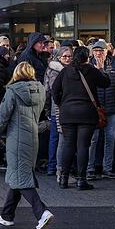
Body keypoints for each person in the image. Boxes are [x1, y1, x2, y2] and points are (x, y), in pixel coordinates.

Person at [0, 62, 54, 229]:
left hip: (16, 139)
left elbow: (1, 119)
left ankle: (42, 212)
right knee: (18, 174)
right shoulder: (41, 90)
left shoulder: (12, 91)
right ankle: (7, 215)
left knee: (21, 178)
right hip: (32, 137)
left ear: (16, 74)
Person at [52, 46, 110, 190]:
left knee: (68, 145)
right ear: (87, 57)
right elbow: (106, 83)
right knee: (83, 146)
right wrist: (101, 68)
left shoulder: (65, 71)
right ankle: (81, 180)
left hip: (67, 113)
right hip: (86, 113)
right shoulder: (91, 71)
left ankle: (63, 179)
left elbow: (54, 91)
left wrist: (62, 103)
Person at [87, 40, 115, 180]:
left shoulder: (114, 65)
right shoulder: (88, 66)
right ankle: (90, 168)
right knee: (93, 139)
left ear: (106, 51)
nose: (98, 53)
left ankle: (107, 168)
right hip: (95, 108)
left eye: (101, 50)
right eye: (96, 50)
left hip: (111, 107)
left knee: (110, 138)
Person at [43, 47, 71, 176]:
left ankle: (53, 166)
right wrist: (48, 109)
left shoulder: (66, 69)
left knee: (56, 138)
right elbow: (52, 91)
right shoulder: (55, 70)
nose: (67, 59)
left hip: (62, 108)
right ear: (58, 57)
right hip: (57, 108)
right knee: (56, 138)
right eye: (64, 56)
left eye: (69, 56)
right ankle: (52, 166)